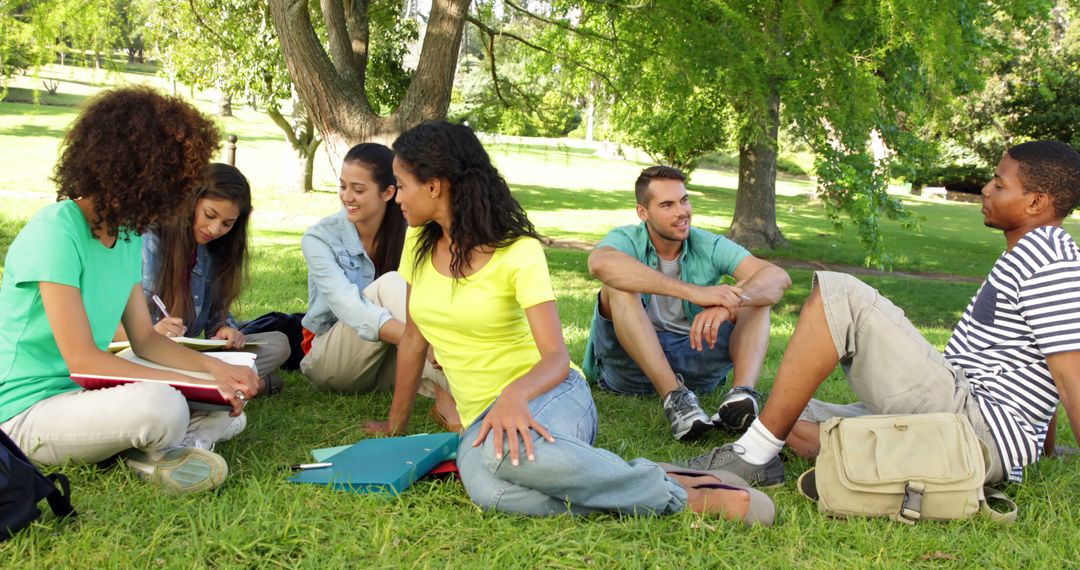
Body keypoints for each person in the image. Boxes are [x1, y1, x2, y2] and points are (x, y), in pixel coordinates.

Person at [365, 121, 774, 524]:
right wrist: (395, 425)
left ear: (434, 185)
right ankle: (664, 479)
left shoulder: (517, 252)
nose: (396, 195)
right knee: (492, 492)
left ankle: (681, 498)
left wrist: (514, 395)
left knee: (496, 454)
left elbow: (556, 358)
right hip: (483, 422)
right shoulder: (418, 243)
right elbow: (415, 338)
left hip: (551, 394)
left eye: (401, 183)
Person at [680, 140, 1080, 488]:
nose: (985, 189)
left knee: (841, 294)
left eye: (999, 183)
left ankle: (755, 457)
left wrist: (1021, 445)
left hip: (974, 427)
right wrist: (1039, 448)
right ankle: (865, 453)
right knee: (783, 412)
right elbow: (1038, 367)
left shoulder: (1050, 262)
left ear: (1036, 202)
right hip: (962, 410)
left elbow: (1070, 375)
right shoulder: (1030, 253)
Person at [0, 87, 259, 495]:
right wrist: (183, 384)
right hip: (23, 413)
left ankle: (151, 449)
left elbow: (146, 340)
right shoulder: (55, 230)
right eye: (177, 181)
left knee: (231, 409)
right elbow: (83, 359)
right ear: (141, 173)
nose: (180, 195)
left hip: (85, 396)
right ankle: (158, 448)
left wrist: (215, 372)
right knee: (164, 405)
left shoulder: (126, 237)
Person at [584, 166, 791, 441]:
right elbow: (600, 263)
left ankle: (741, 395)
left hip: (697, 361)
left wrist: (729, 302)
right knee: (617, 287)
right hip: (630, 369)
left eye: (684, 200)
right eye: (667, 205)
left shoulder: (708, 243)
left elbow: (777, 277)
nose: (682, 212)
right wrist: (694, 293)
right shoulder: (626, 239)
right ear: (642, 212)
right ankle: (675, 399)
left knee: (756, 296)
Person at [299, 143, 457, 428]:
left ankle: (459, 400)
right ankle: (449, 399)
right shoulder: (319, 239)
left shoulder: (412, 231)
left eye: (358, 190)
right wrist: (422, 341)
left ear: (388, 192)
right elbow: (350, 308)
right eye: (343, 186)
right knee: (394, 284)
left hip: (388, 361)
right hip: (332, 360)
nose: (347, 197)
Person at [131, 163, 291, 395]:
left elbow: (216, 318)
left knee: (278, 344)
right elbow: (112, 325)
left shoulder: (214, 251)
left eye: (227, 224)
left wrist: (226, 328)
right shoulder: (148, 241)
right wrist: (152, 331)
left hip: (192, 357)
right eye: (210, 215)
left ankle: (212, 384)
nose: (215, 229)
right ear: (191, 201)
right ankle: (249, 384)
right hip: (144, 353)